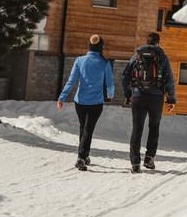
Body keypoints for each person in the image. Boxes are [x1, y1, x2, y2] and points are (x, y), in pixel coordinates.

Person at [57, 34, 115, 171]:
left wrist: (62, 97)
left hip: (80, 102)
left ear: (89, 46)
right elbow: (110, 83)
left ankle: (84, 155)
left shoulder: (79, 60)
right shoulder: (104, 63)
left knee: (83, 128)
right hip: (96, 102)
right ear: (101, 48)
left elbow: (71, 80)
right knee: (88, 129)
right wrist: (110, 95)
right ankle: (81, 157)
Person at [122, 32, 176, 173]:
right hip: (156, 97)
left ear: (146, 41)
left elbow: (125, 75)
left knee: (137, 128)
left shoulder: (137, 56)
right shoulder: (162, 57)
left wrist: (128, 93)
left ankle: (135, 163)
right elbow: (169, 79)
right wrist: (171, 99)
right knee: (154, 127)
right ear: (158, 43)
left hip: (138, 96)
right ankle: (149, 158)